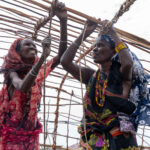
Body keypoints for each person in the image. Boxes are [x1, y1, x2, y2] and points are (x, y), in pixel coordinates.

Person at [61, 20, 139, 149]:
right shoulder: (91, 76)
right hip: (94, 136)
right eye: (94, 46)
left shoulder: (122, 76)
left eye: (100, 45)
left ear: (113, 51)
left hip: (119, 138)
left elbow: (128, 63)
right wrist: (84, 34)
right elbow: (65, 62)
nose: (95, 49)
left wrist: (113, 33)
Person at [0, 1, 67, 149]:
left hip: (31, 138)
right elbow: (23, 87)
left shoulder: (39, 73)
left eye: (35, 46)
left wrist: (63, 21)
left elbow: (62, 55)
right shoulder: (13, 75)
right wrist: (43, 57)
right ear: (17, 53)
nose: (33, 47)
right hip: (12, 140)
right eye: (27, 45)